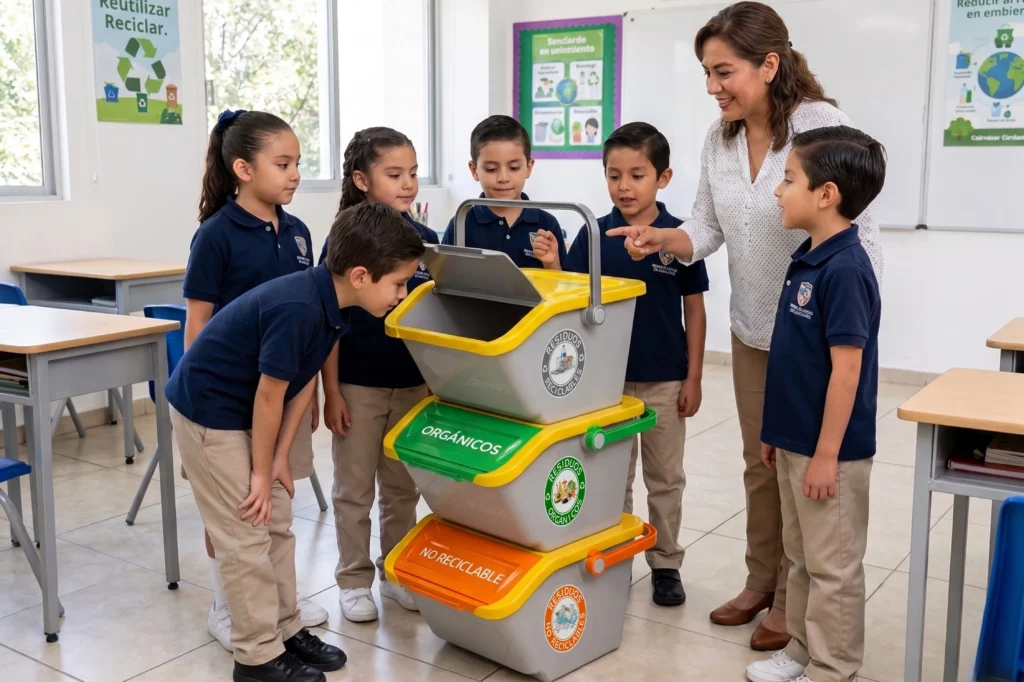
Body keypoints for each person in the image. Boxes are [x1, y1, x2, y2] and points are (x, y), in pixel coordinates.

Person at [606, 1, 883, 650]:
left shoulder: (818, 126)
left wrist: (851, 329)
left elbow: (858, 234)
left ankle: (791, 600)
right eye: (706, 73)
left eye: (723, 71)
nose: (713, 88)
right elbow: (702, 232)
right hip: (754, 327)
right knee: (759, 466)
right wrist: (658, 238)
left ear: (770, 64)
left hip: (811, 339)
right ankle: (762, 581)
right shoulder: (719, 137)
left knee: (798, 471)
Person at [167, 202, 426, 682]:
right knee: (246, 533)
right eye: (398, 283)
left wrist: (280, 459)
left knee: (279, 521)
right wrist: (260, 474)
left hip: (247, 411)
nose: (402, 293)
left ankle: (285, 630)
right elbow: (269, 396)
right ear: (362, 274)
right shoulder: (300, 307)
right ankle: (256, 657)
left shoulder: (334, 303)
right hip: (211, 414)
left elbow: (301, 380)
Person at [182, 108, 327, 649]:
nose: (294, 175)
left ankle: (277, 607)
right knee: (235, 510)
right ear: (243, 168)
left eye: (298, 163)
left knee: (278, 506)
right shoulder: (216, 235)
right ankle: (229, 604)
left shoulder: (298, 233)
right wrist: (207, 398)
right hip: (225, 400)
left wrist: (304, 395)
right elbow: (198, 322)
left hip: (281, 398)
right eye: (283, 163)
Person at [746, 126, 884, 682]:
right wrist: (775, 431)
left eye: (788, 180)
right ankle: (801, 651)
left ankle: (834, 666)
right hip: (795, 438)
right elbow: (794, 363)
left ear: (825, 194)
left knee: (834, 567)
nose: (779, 192)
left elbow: (846, 373)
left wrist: (827, 454)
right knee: (800, 558)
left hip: (834, 452)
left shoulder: (847, 269)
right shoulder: (808, 257)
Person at [558, 122, 709, 607]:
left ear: (662, 178)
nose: (624, 186)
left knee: (665, 478)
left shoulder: (681, 238)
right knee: (611, 477)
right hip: (608, 384)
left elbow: (696, 310)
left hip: (666, 378)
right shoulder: (595, 234)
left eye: (637, 175)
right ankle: (617, 552)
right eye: (614, 175)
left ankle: (666, 563)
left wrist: (694, 376)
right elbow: (572, 300)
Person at [318, 127, 438, 623]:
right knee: (353, 489)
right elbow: (327, 323)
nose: (407, 183)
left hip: (413, 384)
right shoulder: (346, 239)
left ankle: (397, 572)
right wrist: (331, 393)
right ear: (362, 180)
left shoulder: (427, 242)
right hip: (357, 386)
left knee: (402, 487)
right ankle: (353, 579)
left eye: (412, 172)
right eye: (394, 174)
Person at [442, 115, 566, 269]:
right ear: (474, 170)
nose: (503, 178)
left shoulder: (547, 225)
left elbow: (562, 287)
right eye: (491, 169)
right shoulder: (461, 224)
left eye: (514, 168)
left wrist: (551, 263)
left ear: (529, 167)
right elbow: (445, 283)